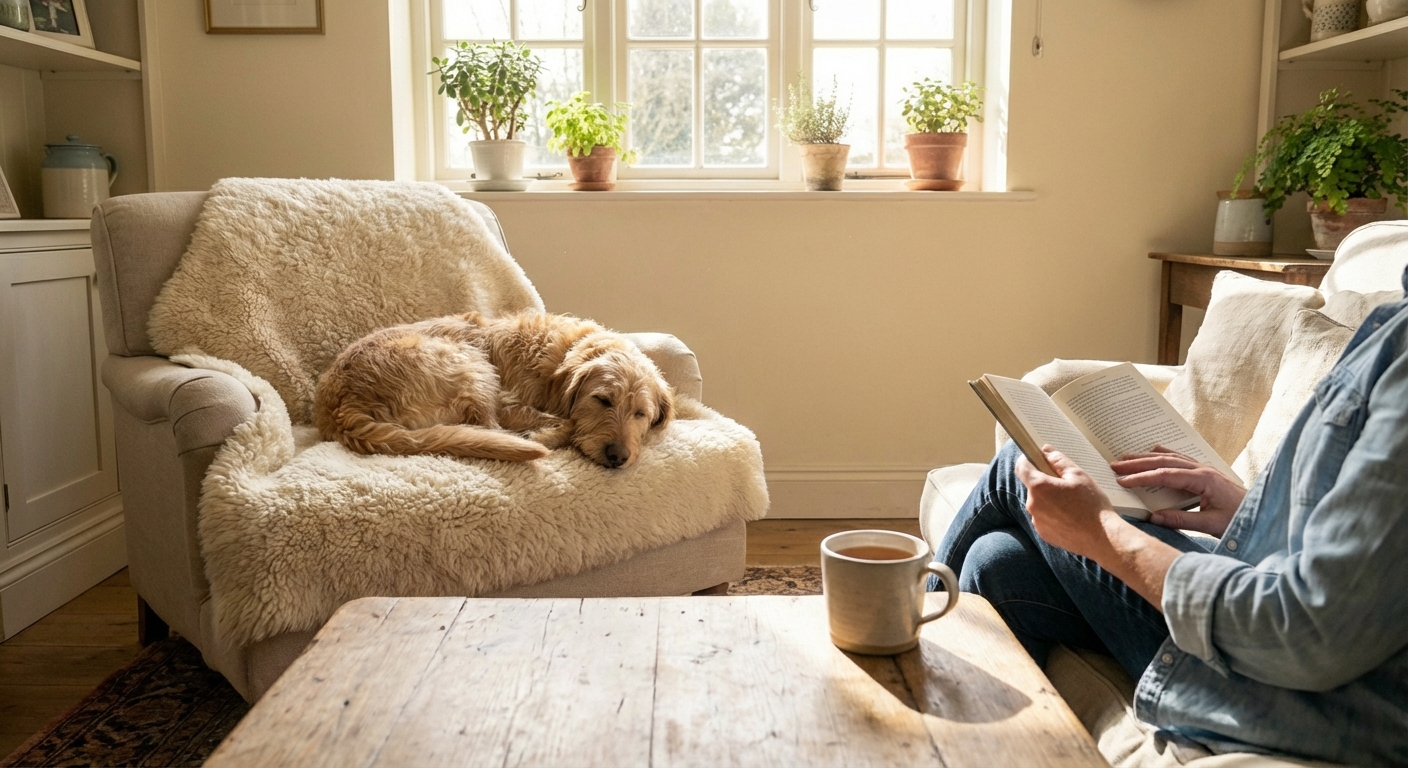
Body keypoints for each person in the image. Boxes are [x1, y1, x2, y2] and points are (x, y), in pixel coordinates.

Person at [932, 267, 1408, 765]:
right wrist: (1248, 510)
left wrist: (1102, 532)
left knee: (1025, 462)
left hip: (1302, 696)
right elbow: (1372, 555)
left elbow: (1307, 631)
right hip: (1284, 623)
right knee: (999, 563)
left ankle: (902, 687)